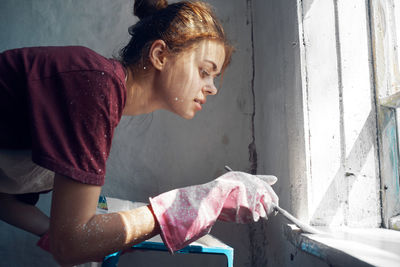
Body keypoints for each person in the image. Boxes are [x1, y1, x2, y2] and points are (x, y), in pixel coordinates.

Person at [0, 0, 279, 265]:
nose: (212, 88)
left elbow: (6, 199)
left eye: (214, 78)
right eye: (204, 71)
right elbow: (71, 243)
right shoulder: (96, 86)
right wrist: (188, 205)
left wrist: (106, 235)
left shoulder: (102, 97)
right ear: (159, 55)